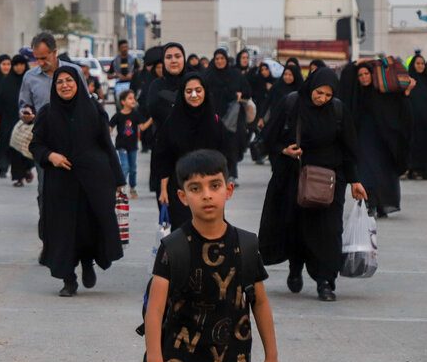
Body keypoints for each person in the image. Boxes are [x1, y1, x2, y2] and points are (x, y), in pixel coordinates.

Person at [145, 149, 282, 362]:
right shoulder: (173, 248)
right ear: (182, 196)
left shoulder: (246, 246)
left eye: (214, 185)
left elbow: (260, 302)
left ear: (228, 190)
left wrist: (272, 358)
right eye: (196, 188)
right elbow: (154, 311)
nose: (206, 194)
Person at [258, 68, 367, 301]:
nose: (322, 99)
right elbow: (268, 138)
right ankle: (295, 269)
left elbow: (349, 149)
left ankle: (325, 281)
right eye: (319, 93)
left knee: (328, 232)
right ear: (311, 87)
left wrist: (355, 181)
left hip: (329, 181)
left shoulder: (338, 110)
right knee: (296, 228)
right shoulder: (292, 103)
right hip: (294, 178)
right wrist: (283, 150)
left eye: (328, 95)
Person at [29, 66, 125, 296]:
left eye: (69, 81)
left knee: (89, 227)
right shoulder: (47, 113)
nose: (65, 85)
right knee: (63, 231)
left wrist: (118, 179)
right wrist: (50, 156)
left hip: (93, 182)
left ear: (78, 83)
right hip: (61, 184)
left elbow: (106, 145)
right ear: (54, 86)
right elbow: (36, 145)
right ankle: (68, 279)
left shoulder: (94, 110)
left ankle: (87, 263)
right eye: (60, 81)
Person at [18, 32, 85, 253]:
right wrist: (25, 113)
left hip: (74, 143)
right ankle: (47, 240)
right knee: (45, 193)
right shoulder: (30, 77)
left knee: (75, 192)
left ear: (55, 52)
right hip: (45, 144)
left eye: (45, 57)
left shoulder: (73, 72)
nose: (41, 62)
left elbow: (86, 102)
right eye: (37, 58)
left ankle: (75, 242)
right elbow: (23, 104)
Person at [154, 72, 231, 231]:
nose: (194, 95)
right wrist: (163, 191)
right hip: (180, 189)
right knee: (183, 234)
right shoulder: (172, 123)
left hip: (210, 189)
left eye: (198, 90)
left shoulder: (214, 122)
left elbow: (225, 156)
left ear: (205, 92)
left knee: (210, 231)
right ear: (182, 94)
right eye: (189, 91)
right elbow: (163, 158)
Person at [338, 61, 413, 217]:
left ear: (373, 75)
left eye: (367, 74)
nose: (364, 77)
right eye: (360, 75)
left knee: (383, 173)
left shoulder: (383, 93)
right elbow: (346, 77)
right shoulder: (355, 95)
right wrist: (357, 63)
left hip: (383, 139)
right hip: (363, 139)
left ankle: (382, 204)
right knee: (366, 172)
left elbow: (400, 108)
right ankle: (369, 203)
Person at [146, 42, 187, 211]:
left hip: (191, 155)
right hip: (164, 155)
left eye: (177, 56)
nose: (174, 60)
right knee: (167, 210)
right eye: (169, 57)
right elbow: (153, 109)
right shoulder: (156, 85)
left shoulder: (193, 82)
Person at [205, 48, 251, 182]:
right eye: (217, 59)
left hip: (233, 117)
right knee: (215, 146)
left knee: (232, 145)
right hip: (214, 115)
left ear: (226, 60)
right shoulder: (208, 75)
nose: (219, 61)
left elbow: (248, 91)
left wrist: (241, 94)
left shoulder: (235, 75)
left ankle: (231, 174)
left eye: (222, 59)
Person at [0, 54, 35, 187]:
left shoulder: (30, 81)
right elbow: (0, 101)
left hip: (26, 119)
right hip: (8, 119)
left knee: (26, 145)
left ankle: (27, 169)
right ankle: (18, 177)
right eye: (16, 65)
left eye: (21, 64)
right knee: (13, 147)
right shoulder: (7, 81)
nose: (19, 67)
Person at [110, 89, 151, 198]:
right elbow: (110, 126)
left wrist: (152, 119)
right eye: (130, 98)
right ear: (123, 102)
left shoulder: (136, 115)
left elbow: (142, 127)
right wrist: (108, 135)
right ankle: (120, 187)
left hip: (132, 146)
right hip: (121, 145)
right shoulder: (118, 116)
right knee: (125, 166)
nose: (133, 100)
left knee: (133, 168)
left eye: (134, 98)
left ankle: (133, 188)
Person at [406, 54, 427, 179]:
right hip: (413, 122)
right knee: (415, 144)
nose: (420, 66)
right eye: (418, 63)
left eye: (422, 64)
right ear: (413, 65)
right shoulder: (409, 81)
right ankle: (414, 169)